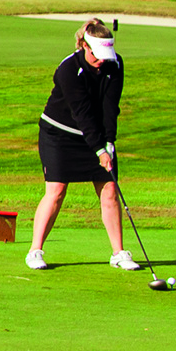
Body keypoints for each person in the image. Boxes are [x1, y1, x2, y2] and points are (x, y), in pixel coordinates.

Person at [27, 17, 133, 271]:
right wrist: (98, 148)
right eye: (96, 55)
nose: (101, 61)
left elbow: (110, 107)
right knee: (57, 190)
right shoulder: (67, 70)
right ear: (84, 45)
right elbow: (82, 112)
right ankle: (35, 251)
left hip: (94, 134)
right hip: (59, 134)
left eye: (104, 55)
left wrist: (108, 143)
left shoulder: (114, 64)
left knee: (109, 189)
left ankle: (118, 253)